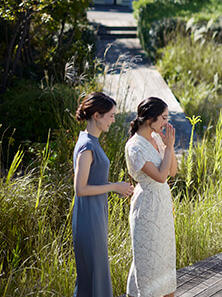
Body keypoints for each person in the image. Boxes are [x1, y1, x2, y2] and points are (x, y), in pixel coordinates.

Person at [72, 92, 134, 297]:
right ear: (97, 115)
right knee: (95, 275)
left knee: (91, 278)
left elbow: (92, 182)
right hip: (89, 219)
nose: (114, 120)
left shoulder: (89, 140)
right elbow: (80, 189)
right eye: (111, 115)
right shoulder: (87, 146)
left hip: (94, 216)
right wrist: (113, 186)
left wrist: (116, 186)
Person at [125, 97, 177, 297]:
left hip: (162, 203)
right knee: (147, 258)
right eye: (163, 117)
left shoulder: (156, 138)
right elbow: (161, 177)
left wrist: (167, 147)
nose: (166, 122)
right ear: (150, 118)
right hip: (147, 205)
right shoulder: (135, 146)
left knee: (163, 256)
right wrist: (170, 147)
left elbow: (172, 171)